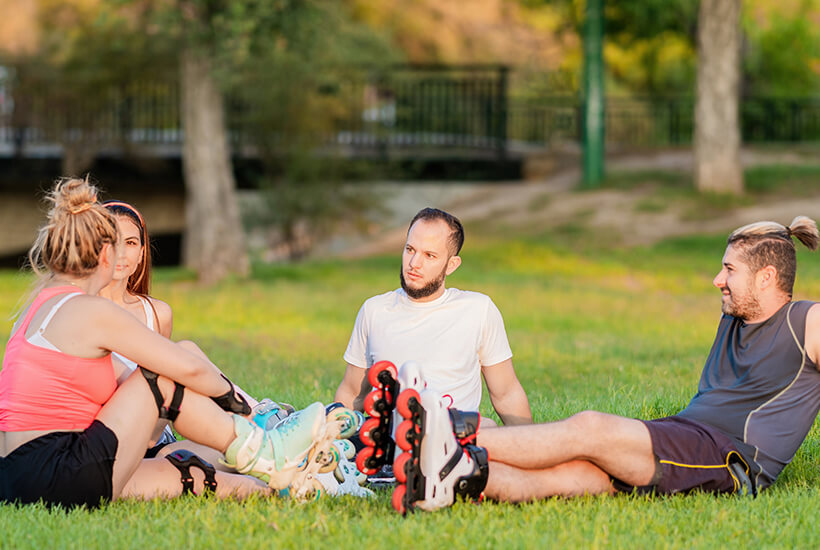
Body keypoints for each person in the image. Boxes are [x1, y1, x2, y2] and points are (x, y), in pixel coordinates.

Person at [398, 216, 820, 511]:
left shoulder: (807, 321)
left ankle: (441, 434)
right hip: (685, 435)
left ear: (766, 277)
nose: (717, 280)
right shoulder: (737, 315)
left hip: (730, 457)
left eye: (729, 269)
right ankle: (452, 479)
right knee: (573, 475)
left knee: (591, 428)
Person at [0, 177, 338, 508]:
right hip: (60, 470)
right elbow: (187, 369)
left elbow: (121, 382)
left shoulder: (39, 308)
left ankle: (287, 484)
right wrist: (242, 408)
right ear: (104, 255)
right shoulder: (89, 310)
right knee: (159, 377)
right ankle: (268, 450)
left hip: (22, 477)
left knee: (190, 473)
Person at [335, 208, 532, 426]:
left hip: (455, 435)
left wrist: (530, 443)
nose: (414, 263)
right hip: (390, 436)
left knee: (486, 427)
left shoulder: (478, 310)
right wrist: (333, 433)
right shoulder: (374, 310)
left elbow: (506, 394)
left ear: (451, 265)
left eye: (429, 255)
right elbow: (352, 392)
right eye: (410, 249)